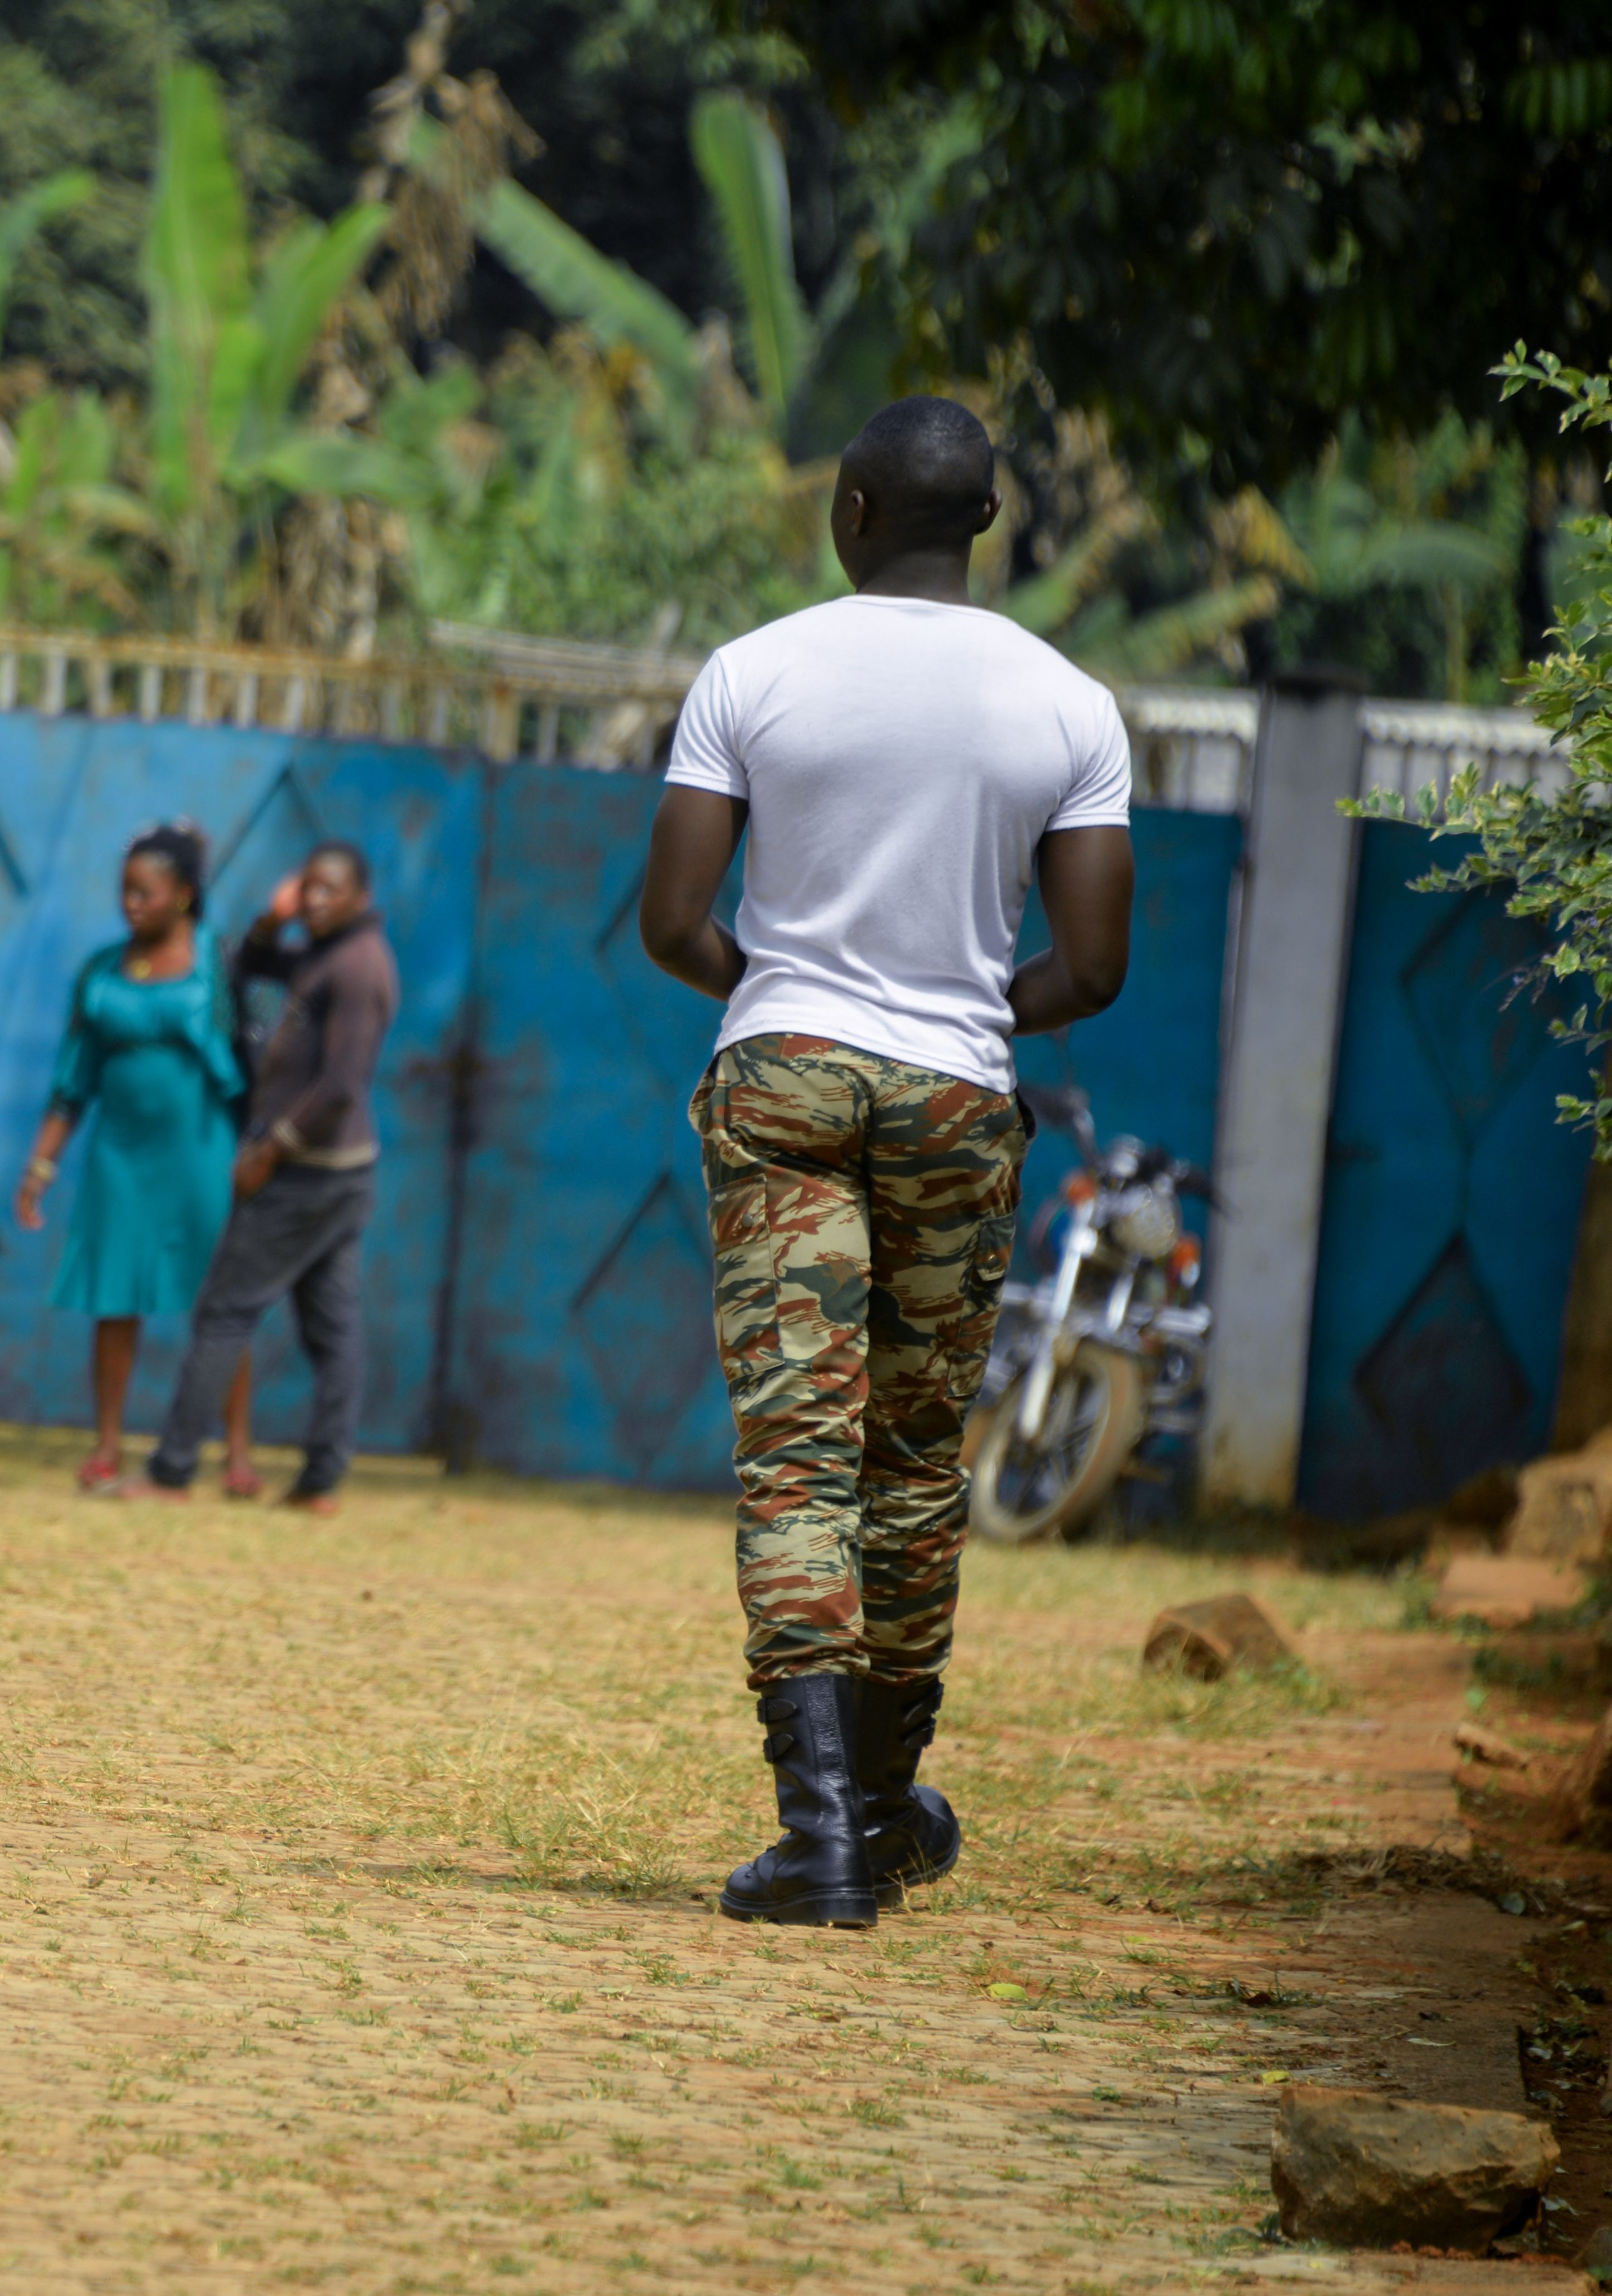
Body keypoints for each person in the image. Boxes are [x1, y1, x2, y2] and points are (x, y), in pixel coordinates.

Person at [639, 395, 1133, 1928]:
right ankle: (874, 1808)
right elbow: (1093, 963)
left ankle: (818, 1845)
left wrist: (787, 1002)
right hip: (952, 1094)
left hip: (780, 1069)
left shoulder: (756, 669)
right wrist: (964, 1008)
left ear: (849, 511)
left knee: (797, 1451)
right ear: (984, 524)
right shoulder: (1069, 706)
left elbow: (668, 922)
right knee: (911, 1464)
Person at [139, 841, 398, 1512]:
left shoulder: (359, 966)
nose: (313, 899)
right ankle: (320, 1483)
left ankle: (171, 1470)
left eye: (328, 890)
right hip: (337, 1173)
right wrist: (270, 919)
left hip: (309, 1175)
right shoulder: (323, 950)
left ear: (361, 896)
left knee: (225, 1312)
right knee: (331, 1327)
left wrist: (271, 1149)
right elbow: (248, 967)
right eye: (306, 887)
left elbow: (342, 1083)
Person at [13, 821, 258, 1497]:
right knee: (114, 1298)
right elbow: (72, 1078)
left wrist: (261, 1145)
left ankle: (237, 1452)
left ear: (183, 895)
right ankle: (108, 1445)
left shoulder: (218, 961)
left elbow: (260, 1047)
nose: (131, 904)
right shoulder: (100, 971)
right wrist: (41, 1166)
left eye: (145, 892)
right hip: (119, 1158)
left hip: (201, 1154)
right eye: (124, 891)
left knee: (219, 1304)